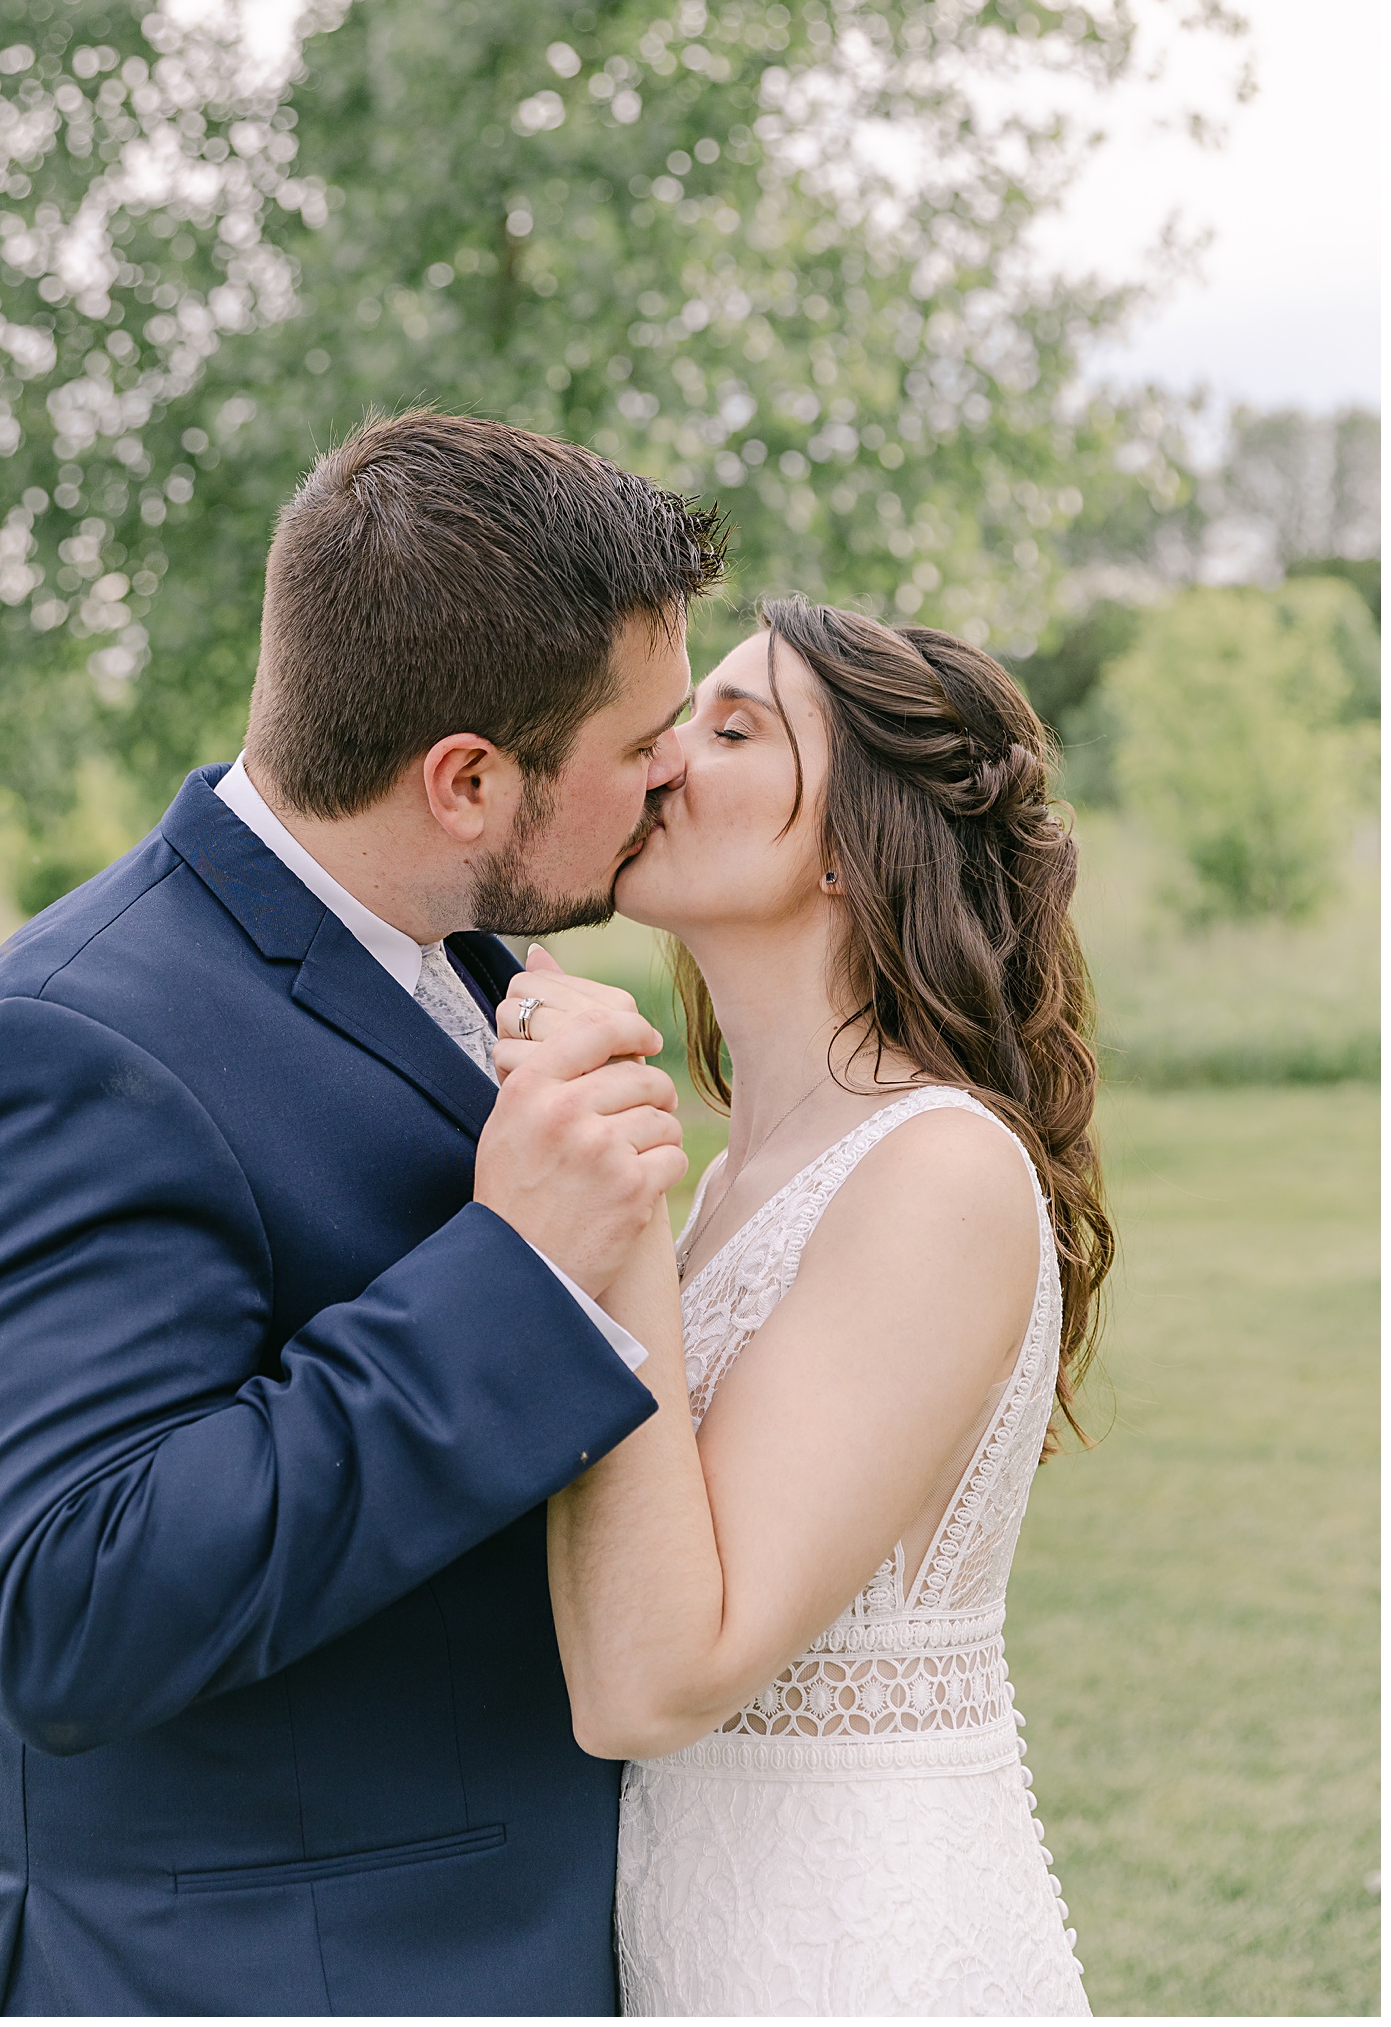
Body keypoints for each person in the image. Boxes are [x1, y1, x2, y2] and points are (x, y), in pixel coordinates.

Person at [0, 411, 725, 2017]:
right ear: (467, 779)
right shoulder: (66, 1046)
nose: (675, 769)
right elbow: (66, 1601)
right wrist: (515, 1270)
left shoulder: (474, 962)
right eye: (643, 737)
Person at [502, 598, 1113, 2017]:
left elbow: (653, 1680)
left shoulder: (939, 1172)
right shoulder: (732, 1185)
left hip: (853, 1948)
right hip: (695, 1927)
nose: (665, 758)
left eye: (734, 730)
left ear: (853, 845)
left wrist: (616, 1207)